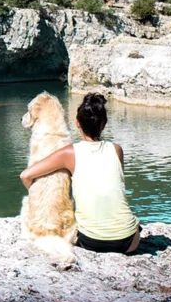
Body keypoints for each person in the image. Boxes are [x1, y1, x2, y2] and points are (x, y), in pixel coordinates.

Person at [20, 92, 140, 254]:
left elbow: (26, 175)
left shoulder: (69, 153)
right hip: (129, 243)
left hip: (91, 242)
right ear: (104, 124)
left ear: (77, 123)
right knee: (134, 224)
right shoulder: (117, 150)